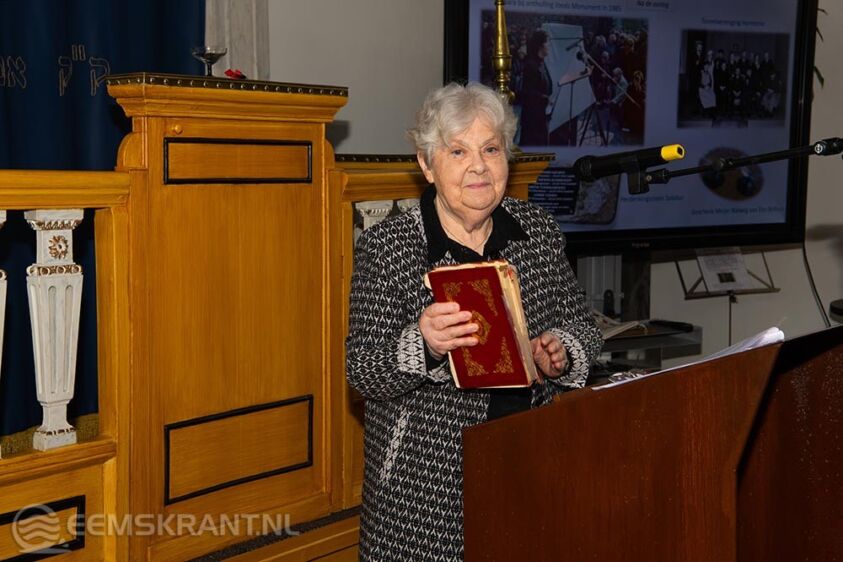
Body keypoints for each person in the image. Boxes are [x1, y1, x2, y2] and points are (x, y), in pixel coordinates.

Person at [346, 82, 603, 561]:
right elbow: (361, 369)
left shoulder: (538, 232)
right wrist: (422, 342)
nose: (479, 166)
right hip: (423, 491)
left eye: (491, 148)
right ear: (427, 165)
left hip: (532, 465)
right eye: (458, 151)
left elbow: (583, 325)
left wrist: (562, 351)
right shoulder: (388, 248)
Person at [519, 29, 553, 145]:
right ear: (540, 45)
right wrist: (544, 98)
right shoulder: (531, 65)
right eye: (548, 42)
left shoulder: (542, 63)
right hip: (532, 120)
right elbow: (527, 92)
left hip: (541, 116)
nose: (549, 45)